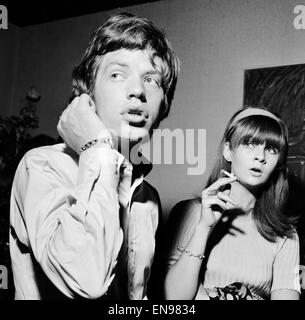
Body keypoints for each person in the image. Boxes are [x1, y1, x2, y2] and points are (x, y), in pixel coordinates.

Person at [9, 12, 180, 300]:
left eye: (152, 80)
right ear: (88, 93)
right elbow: (85, 281)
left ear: (164, 104)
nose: (138, 90)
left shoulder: (147, 197)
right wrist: (98, 149)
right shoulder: (41, 165)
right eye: (117, 74)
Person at [165, 107, 301, 300]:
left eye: (270, 149)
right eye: (250, 144)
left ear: (278, 161)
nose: (260, 157)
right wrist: (204, 227)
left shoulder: (285, 233)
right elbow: (174, 300)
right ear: (228, 151)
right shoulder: (190, 212)